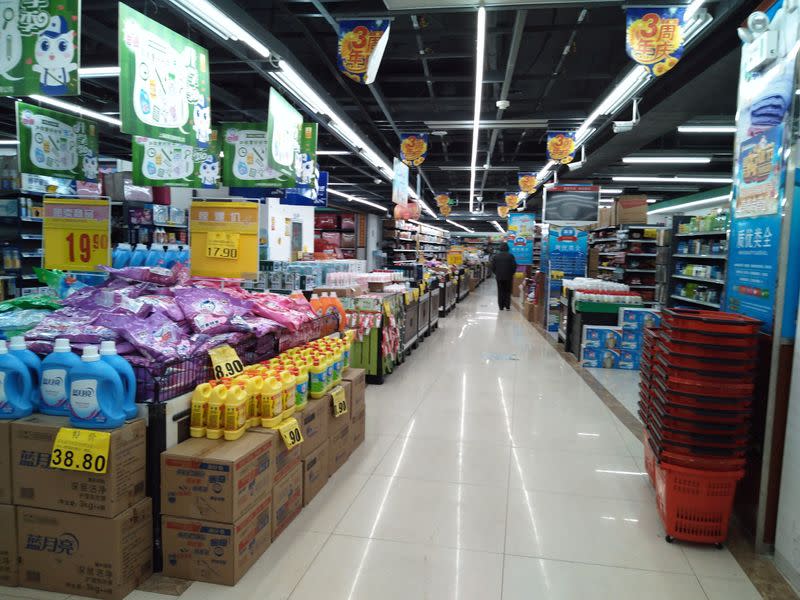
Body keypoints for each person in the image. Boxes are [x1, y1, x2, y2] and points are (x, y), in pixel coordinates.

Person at [491, 242, 517, 311]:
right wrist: (511, 273)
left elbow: (493, 267)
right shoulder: (511, 256)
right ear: (508, 248)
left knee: (500, 291)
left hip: (499, 276)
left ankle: (501, 306)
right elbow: (514, 266)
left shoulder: (496, 256)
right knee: (507, 291)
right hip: (508, 276)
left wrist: (496, 273)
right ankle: (507, 306)